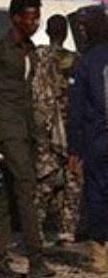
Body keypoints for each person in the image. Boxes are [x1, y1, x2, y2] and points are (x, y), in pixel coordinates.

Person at [0, 0, 55, 278]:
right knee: (26, 188)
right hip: (7, 128)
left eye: (37, 17)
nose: (34, 23)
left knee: (10, 193)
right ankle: (36, 259)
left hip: (27, 128)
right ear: (15, 18)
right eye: (30, 17)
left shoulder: (31, 50)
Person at [33, 14, 81, 245]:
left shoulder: (36, 56)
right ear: (64, 33)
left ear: (48, 31)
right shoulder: (73, 59)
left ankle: (37, 229)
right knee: (73, 177)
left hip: (42, 125)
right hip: (70, 125)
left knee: (44, 177)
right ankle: (67, 229)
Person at [68, 8, 108, 274]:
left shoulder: (84, 62)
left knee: (96, 194)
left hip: (97, 140)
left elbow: (76, 110)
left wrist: (74, 149)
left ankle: (99, 254)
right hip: (98, 138)